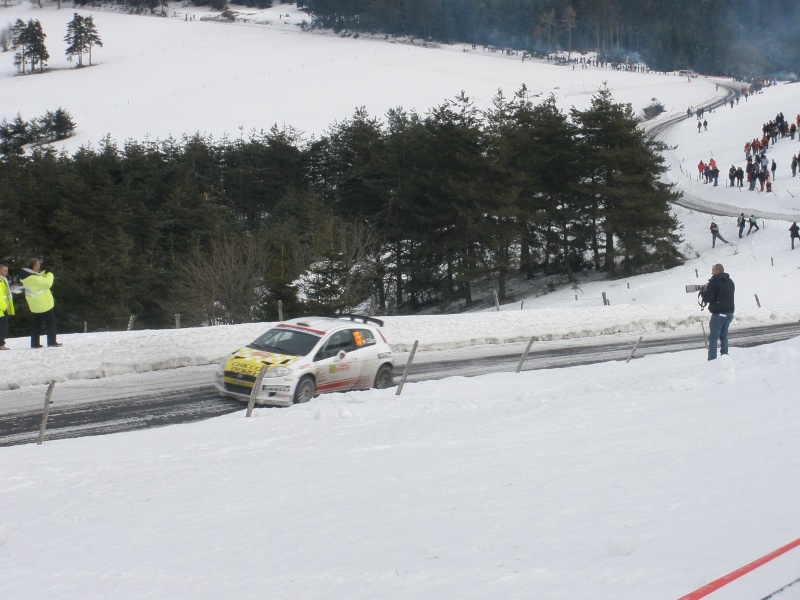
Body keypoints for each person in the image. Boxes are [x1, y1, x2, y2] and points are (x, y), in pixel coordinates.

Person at [19, 258, 61, 348]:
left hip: (35, 306)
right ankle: (52, 342)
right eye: (38, 265)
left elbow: (38, 276)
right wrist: (50, 274)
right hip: (43, 305)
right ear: (34, 267)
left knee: (36, 325)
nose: (39, 267)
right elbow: (47, 283)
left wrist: (45, 272)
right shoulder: (34, 279)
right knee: (51, 323)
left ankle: (34, 343)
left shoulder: (27, 278)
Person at [700, 263, 735, 361]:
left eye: (713, 270)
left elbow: (709, 298)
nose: (711, 272)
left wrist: (703, 293)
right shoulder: (730, 281)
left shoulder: (714, 282)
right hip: (729, 313)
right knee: (724, 336)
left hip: (718, 314)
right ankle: (725, 356)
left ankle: (712, 359)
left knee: (713, 338)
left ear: (717, 271)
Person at [0, 263, 14, 350]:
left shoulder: (3, 280)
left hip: (2, 307)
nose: (6, 272)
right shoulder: (1, 281)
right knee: (2, 327)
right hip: (2, 308)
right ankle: (1, 344)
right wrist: (4, 307)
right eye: (5, 270)